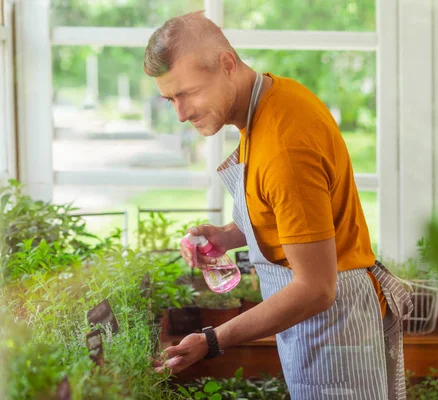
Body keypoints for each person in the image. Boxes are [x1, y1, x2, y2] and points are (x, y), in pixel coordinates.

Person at [146, 11, 413, 400]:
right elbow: (290, 213)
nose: (181, 114)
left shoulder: (284, 142)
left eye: (187, 93)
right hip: (317, 328)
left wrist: (212, 339)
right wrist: (227, 236)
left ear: (227, 65)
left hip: (337, 328)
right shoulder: (267, 103)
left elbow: (316, 288)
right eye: (170, 99)